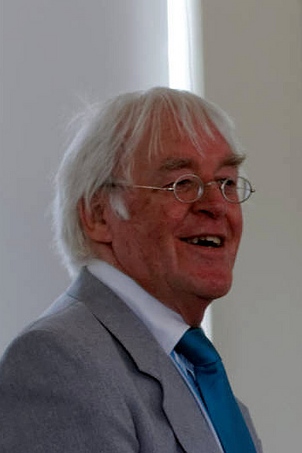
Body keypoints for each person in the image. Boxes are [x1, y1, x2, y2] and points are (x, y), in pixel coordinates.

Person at [0, 87, 262, 452]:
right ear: (98, 215)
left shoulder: (198, 373)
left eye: (227, 183)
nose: (217, 205)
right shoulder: (58, 361)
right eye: (182, 183)